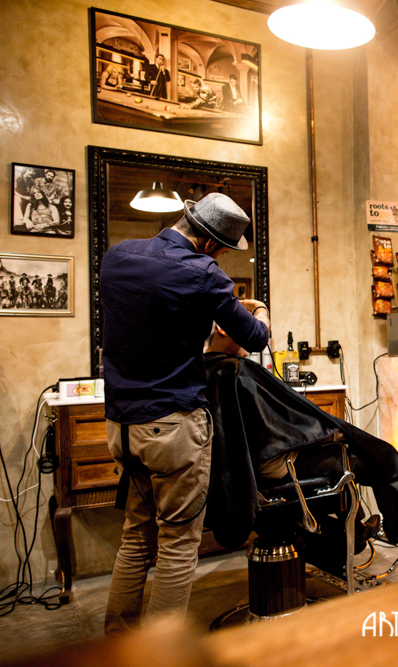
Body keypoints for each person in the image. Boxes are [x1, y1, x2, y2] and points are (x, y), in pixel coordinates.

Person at [100, 193, 271, 635]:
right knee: (177, 544)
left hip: (121, 426)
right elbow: (254, 338)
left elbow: (153, 318)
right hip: (173, 427)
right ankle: (161, 657)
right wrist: (260, 311)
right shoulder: (203, 273)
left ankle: (117, 644)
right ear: (212, 244)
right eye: (223, 250)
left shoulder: (117, 257)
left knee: (136, 536)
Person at [201, 321, 398, 556]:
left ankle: (361, 532)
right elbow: (277, 428)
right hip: (278, 466)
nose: (255, 334)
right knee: (376, 456)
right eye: (251, 324)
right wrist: (325, 432)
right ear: (222, 327)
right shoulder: (238, 370)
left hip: (252, 473)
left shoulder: (207, 368)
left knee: (351, 457)